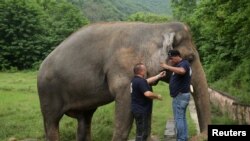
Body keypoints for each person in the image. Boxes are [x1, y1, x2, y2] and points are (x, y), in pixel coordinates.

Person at [160, 50, 191, 141]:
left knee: (179, 118)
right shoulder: (180, 64)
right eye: (169, 59)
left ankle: (181, 139)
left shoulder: (184, 63)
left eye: (172, 58)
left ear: (178, 56)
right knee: (182, 117)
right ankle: (184, 137)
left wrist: (167, 67)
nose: (171, 60)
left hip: (180, 96)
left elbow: (182, 71)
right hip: (180, 96)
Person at [130, 63, 165, 141]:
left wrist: (158, 76)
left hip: (137, 109)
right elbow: (147, 94)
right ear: (141, 71)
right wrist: (157, 96)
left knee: (140, 130)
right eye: (145, 70)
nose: (146, 71)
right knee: (143, 133)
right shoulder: (141, 82)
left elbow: (146, 81)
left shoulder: (135, 80)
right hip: (142, 110)